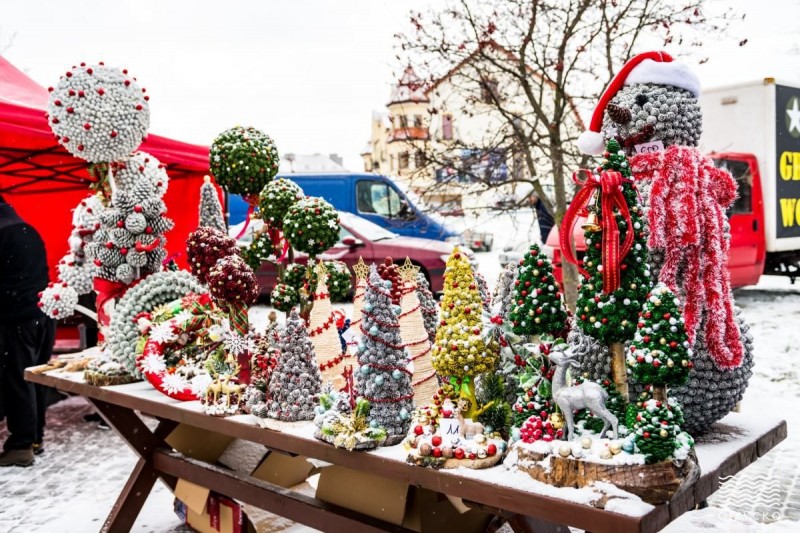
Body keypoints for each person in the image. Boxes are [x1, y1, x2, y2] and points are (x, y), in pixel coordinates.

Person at [0, 194, 56, 467]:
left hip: (17, 318)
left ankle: (21, 445)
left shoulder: (3, 232)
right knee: (35, 378)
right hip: (42, 314)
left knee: (18, 380)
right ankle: (35, 437)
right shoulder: (26, 228)